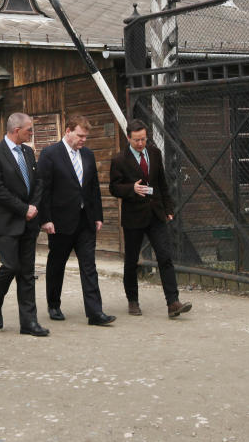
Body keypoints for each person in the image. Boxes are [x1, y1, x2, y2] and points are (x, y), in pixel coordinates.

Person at [109, 119, 192, 318]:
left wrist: (168, 208)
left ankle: (173, 302)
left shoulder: (154, 154)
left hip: (156, 214)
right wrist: (131, 189)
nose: (140, 143)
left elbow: (162, 183)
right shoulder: (119, 159)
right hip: (133, 217)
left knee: (165, 257)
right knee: (131, 261)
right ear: (128, 138)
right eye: (136, 140)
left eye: (143, 139)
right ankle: (133, 301)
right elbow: (113, 188)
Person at [38, 114, 115, 326]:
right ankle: (53, 304)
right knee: (57, 264)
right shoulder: (50, 154)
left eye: (86, 137)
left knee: (89, 266)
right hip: (60, 221)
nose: (83, 140)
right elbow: (43, 189)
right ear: (68, 131)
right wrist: (45, 219)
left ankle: (95, 313)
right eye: (80, 136)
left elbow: (93, 187)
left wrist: (98, 215)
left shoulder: (88, 155)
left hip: (85, 220)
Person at [0, 112, 49, 336]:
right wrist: (23, 209)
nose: (32, 133)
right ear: (16, 130)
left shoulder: (29, 152)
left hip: (29, 222)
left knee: (27, 273)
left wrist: (34, 208)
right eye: (29, 129)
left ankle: (29, 323)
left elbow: (38, 182)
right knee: (10, 266)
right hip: (6, 221)